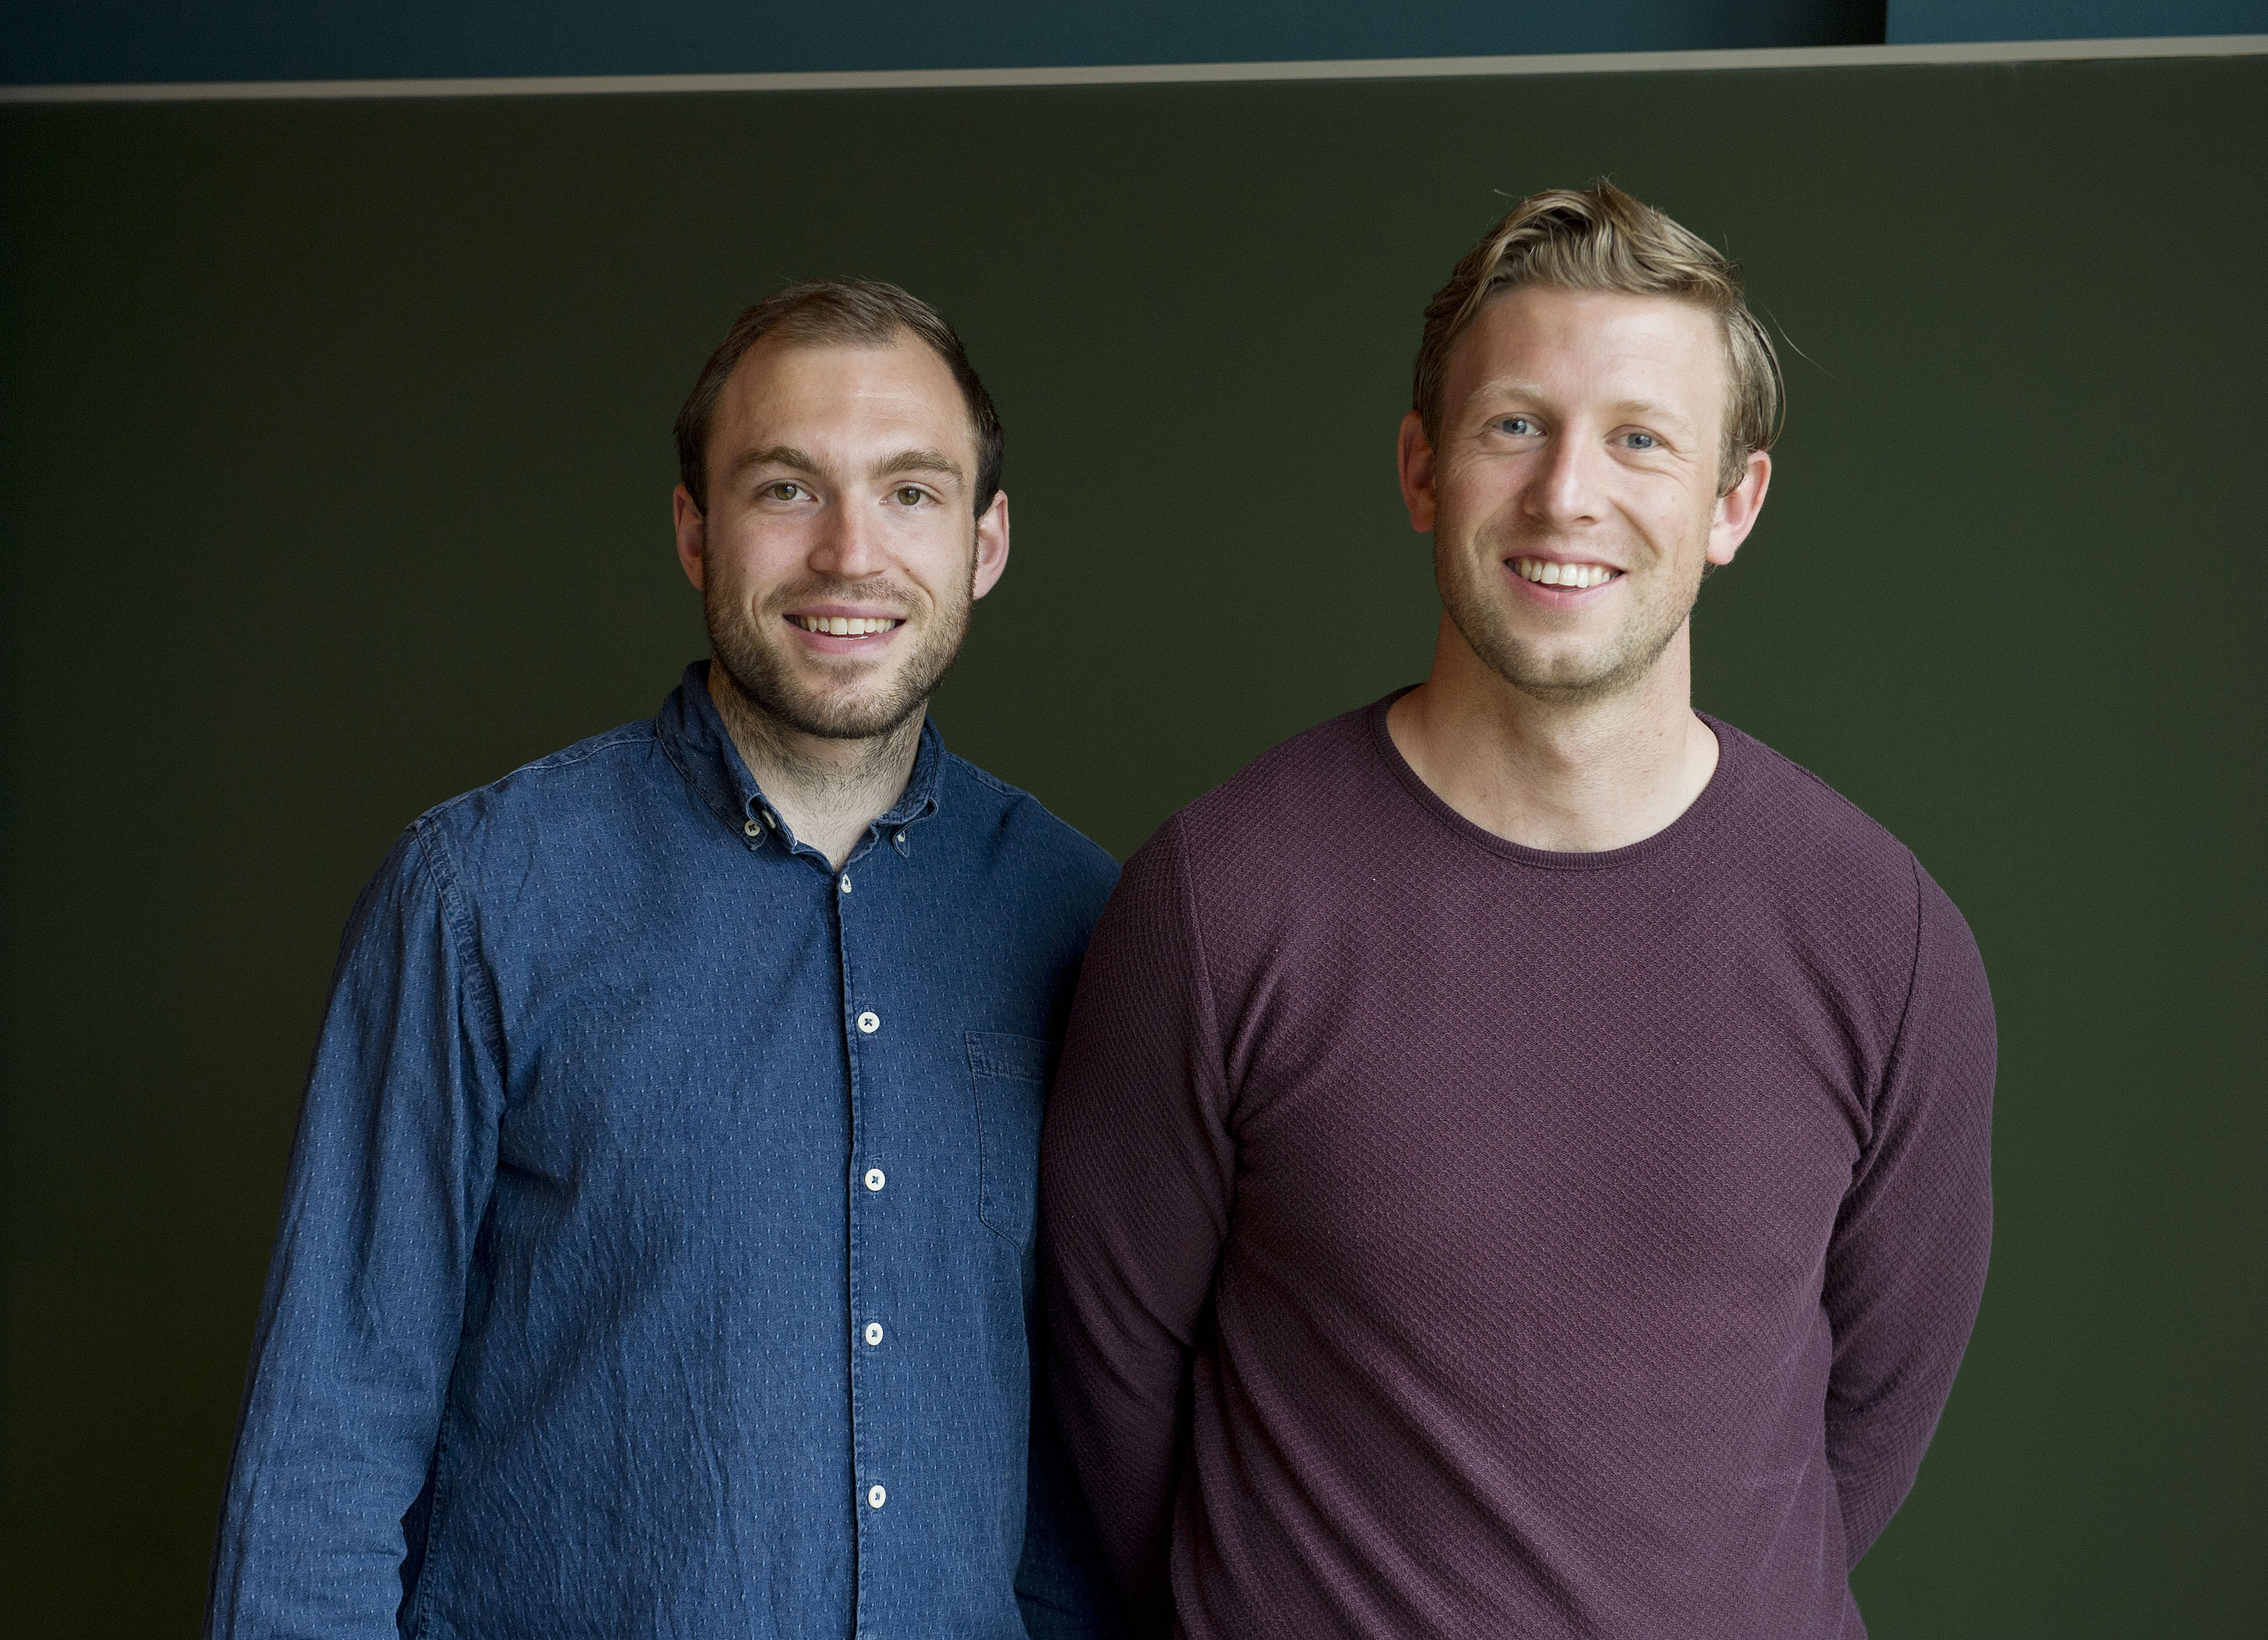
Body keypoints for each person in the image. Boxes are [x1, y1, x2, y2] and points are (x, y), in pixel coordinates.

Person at [1038, 184, 1996, 1638]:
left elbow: (1867, 1419)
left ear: (1732, 503)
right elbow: (1112, 1404)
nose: (1565, 496)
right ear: (1421, 470)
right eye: (1513, 427)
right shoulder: (1216, 902)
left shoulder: (1885, 939)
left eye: (1639, 440)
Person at [206, 279, 1117, 1638]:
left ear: (985, 542)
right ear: (695, 529)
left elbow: (1091, 1464)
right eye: (786, 489)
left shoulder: (1082, 919)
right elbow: (325, 1444)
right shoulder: (480, 896)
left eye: (911, 493)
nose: (850, 553)